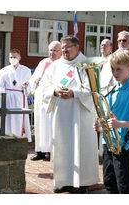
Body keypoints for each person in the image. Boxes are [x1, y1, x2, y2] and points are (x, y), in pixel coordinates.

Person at [41, 35, 99, 194]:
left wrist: (75, 93)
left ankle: (83, 183)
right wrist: (54, 91)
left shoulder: (87, 65)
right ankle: (63, 181)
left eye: (67, 47)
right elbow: (43, 87)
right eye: (63, 47)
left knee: (81, 146)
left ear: (77, 47)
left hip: (80, 114)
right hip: (61, 115)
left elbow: (94, 90)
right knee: (62, 146)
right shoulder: (55, 66)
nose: (64, 50)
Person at [94, 49, 129, 194]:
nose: (114, 72)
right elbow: (109, 116)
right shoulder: (114, 88)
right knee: (109, 182)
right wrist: (100, 124)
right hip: (109, 141)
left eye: (119, 69)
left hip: (124, 143)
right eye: (112, 69)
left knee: (124, 185)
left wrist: (120, 124)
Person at [29, 41, 62, 161]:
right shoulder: (43, 62)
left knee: (51, 125)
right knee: (40, 124)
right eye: (50, 50)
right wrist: (35, 80)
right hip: (40, 97)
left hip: (53, 97)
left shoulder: (61, 64)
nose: (51, 53)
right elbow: (33, 78)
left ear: (60, 51)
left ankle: (52, 151)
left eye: (54, 50)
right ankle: (40, 151)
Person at [0, 49, 32, 142]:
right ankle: (7, 138)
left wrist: (26, 87)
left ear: (19, 58)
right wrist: (2, 98)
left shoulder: (26, 70)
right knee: (8, 119)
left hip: (20, 97)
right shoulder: (3, 70)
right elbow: (0, 86)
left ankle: (20, 137)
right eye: (11, 57)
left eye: (15, 57)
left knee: (19, 118)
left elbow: (29, 86)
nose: (13, 59)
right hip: (7, 97)